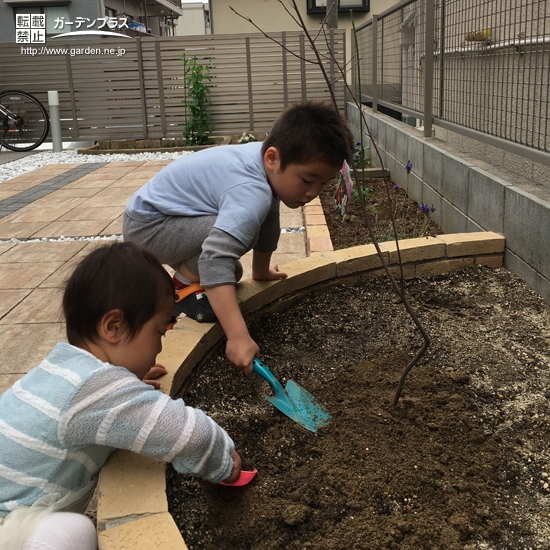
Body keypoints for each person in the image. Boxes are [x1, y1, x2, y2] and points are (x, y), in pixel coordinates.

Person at [0, 242, 241, 550]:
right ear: (113, 327)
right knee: (73, 533)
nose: (159, 347)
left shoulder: (66, 370)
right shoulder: (96, 389)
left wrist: (126, 378)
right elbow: (185, 434)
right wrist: (224, 462)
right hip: (7, 524)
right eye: (158, 332)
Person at [123, 101, 353, 376]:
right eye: (307, 180)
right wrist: (238, 336)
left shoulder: (264, 164)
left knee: (233, 265)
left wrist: (259, 271)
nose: (313, 192)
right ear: (272, 157)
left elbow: (270, 221)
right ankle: (181, 287)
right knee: (227, 253)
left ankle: (186, 280)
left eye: (323, 184)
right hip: (149, 228)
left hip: (163, 219)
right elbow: (215, 256)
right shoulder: (252, 190)